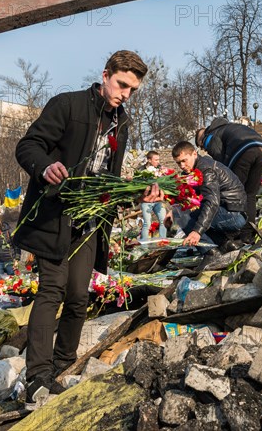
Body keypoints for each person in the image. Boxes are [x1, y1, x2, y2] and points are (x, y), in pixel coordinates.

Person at [14, 50, 161, 409]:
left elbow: (109, 181)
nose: (125, 94)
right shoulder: (67, 105)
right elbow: (28, 146)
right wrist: (45, 167)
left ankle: (64, 366)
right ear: (105, 74)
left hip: (90, 221)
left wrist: (135, 194)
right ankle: (38, 377)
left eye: (132, 90)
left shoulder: (122, 123)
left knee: (79, 295)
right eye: (122, 84)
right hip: (54, 215)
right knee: (52, 290)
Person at [195, 118, 262, 242]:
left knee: (234, 194)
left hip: (243, 151)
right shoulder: (230, 127)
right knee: (250, 195)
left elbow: (220, 166)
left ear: (203, 138)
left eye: (202, 146)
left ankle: (235, 234)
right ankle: (248, 235)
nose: (205, 150)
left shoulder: (210, 137)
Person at [171, 141, 247, 251]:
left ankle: (210, 253)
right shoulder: (192, 171)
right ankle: (225, 245)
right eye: (178, 163)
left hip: (233, 214)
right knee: (179, 210)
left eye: (184, 161)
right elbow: (190, 199)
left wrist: (197, 231)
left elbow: (212, 202)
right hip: (229, 211)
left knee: (181, 213)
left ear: (194, 154)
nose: (182, 166)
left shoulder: (206, 170)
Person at [139, 150, 167, 240]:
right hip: (146, 200)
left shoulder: (160, 169)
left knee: (163, 220)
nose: (158, 162)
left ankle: (163, 240)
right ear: (149, 160)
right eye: (156, 160)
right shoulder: (141, 170)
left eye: (158, 159)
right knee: (147, 223)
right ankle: (144, 243)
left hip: (158, 200)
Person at [0, 216, 20, 283]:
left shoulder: (8, 232)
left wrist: (17, 260)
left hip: (10, 261)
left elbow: (16, 246)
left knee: (14, 282)